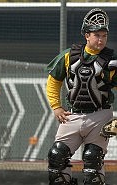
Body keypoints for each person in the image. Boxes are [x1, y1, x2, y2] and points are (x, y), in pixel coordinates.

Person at [46, 8, 117, 185]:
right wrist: (56, 106)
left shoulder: (111, 60)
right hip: (73, 114)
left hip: (100, 115)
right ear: (87, 35)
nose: (100, 40)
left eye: (104, 35)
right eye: (96, 35)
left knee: (92, 160)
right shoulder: (70, 55)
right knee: (56, 157)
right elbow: (54, 80)